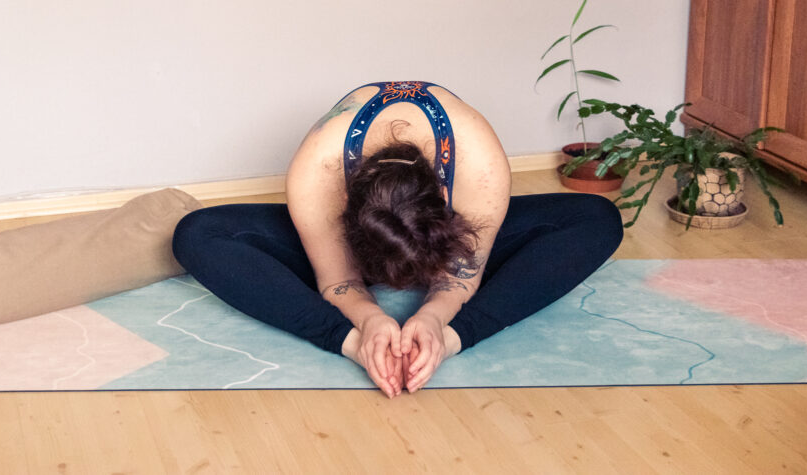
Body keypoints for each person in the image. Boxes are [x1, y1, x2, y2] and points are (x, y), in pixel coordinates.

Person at [173, 81, 623, 396]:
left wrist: (438, 324)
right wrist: (365, 326)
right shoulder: (318, 171)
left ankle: (462, 335)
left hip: (443, 237)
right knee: (200, 233)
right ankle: (340, 336)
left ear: (447, 200)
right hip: (351, 239)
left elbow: (461, 276)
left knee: (597, 218)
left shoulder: (477, 162)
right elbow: (337, 278)